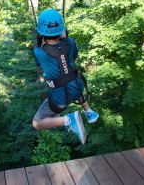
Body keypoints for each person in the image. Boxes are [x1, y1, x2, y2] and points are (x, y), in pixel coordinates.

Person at [32, 8, 99, 144]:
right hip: (78, 88)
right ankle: (88, 111)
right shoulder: (71, 42)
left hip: (60, 99)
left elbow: (39, 61)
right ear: (62, 29)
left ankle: (69, 120)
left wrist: (40, 39)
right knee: (70, 77)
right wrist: (65, 35)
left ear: (41, 33)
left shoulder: (39, 52)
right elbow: (73, 55)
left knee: (37, 123)